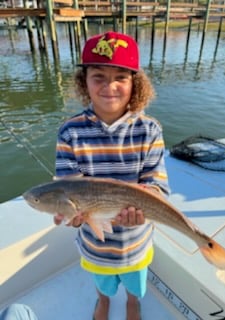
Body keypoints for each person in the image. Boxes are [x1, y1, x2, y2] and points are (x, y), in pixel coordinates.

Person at [54, 31, 169, 320]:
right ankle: (103, 300)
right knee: (102, 282)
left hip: (135, 242)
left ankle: (132, 302)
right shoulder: (70, 132)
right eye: (99, 77)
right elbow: (66, 188)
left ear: (135, 83)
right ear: (84, 82)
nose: (110, 86)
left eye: (121, 76)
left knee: (135, 283)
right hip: (95, 246)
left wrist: (147, 205)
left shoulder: (149, 130)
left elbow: (158, 186)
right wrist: (71, 216)